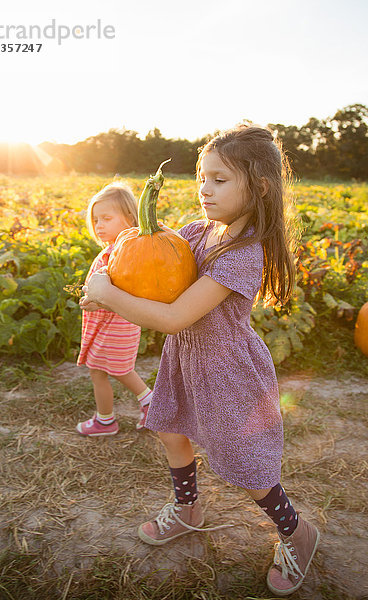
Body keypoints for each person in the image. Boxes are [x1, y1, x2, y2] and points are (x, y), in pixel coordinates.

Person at [80, 126, 320, 596]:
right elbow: (148, 265)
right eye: (201, 177)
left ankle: (296, 531)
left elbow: (173, 316)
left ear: (260, 186)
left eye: (220, 179)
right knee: (171, 429)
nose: (204, 189)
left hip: (227, 370)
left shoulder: (243, 253)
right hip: (186, 360)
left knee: (244, 463)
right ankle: (189, 509)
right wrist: (105, 289)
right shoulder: (197, 232)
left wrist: (108, 292)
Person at [76, 183, 152, 436]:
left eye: (107, 218)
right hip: (112, 325)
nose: (99, 225)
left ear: (130, 218)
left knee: (105, 371)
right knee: (116, 370)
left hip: (116, 325)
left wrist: (95, 301)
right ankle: (147, 404)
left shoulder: (120, 254)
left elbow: (119, 291)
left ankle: (106, 421)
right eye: (96, 219)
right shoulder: (115, 250)